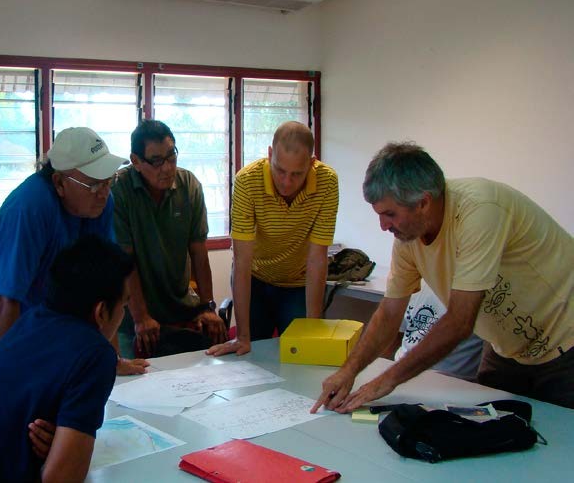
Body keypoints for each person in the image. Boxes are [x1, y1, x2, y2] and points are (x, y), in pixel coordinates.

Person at [312, 142, 574, 413]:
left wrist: (385, 381)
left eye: (390, 214)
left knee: (561, 434)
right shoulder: (408, 239)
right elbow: (389, 313)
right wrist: (348, 372)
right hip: (507, 349)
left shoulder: (479, 210)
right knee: (493, 426)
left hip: (565, 341)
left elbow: (460, 321)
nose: (383, 225)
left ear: (423, 203)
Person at [0, 127, 147, 391]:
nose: (103, 192)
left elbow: (106, 286)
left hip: (31, 331)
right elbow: (5, 303)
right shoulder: (29, 208)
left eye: (108, 180)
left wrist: (110, 360)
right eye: (94, 184)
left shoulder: (100, 204)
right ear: (59, 183)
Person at [0, 235, 134, 482]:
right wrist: (66, 453)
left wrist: (61, 444)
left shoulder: (32, 320)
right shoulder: (95, 354)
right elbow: (60, 478)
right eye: (124, 306)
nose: (123, 314)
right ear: (101, 311)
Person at [208, 121, 339, 357]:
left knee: (301, 353)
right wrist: (242, 336)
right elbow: (242, 261)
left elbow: (317, 259)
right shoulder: (247, 181)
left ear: (312, 163)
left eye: (297, 174)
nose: (286, 182)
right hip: (256, 278)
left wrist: (312, 332)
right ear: (270, 155)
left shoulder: (327, 182)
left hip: (297, 283)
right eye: (279, 170)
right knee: (251, 355)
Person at [112, 120, 226, 357]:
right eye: (156, 161)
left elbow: (198, 251)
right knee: (133, 375)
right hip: (133, 314)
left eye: (171, 157)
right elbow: (124, 261)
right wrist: (141, 317)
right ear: (136, 161)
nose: (167, 168)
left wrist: (207, 306)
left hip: (180, 308)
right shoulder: (119, 190)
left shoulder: (189, 185)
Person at [389, 282, 484, 382]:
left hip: (450, 379)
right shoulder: (417, 282)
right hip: (400, 368)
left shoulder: (476, 291)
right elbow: (396, 334)